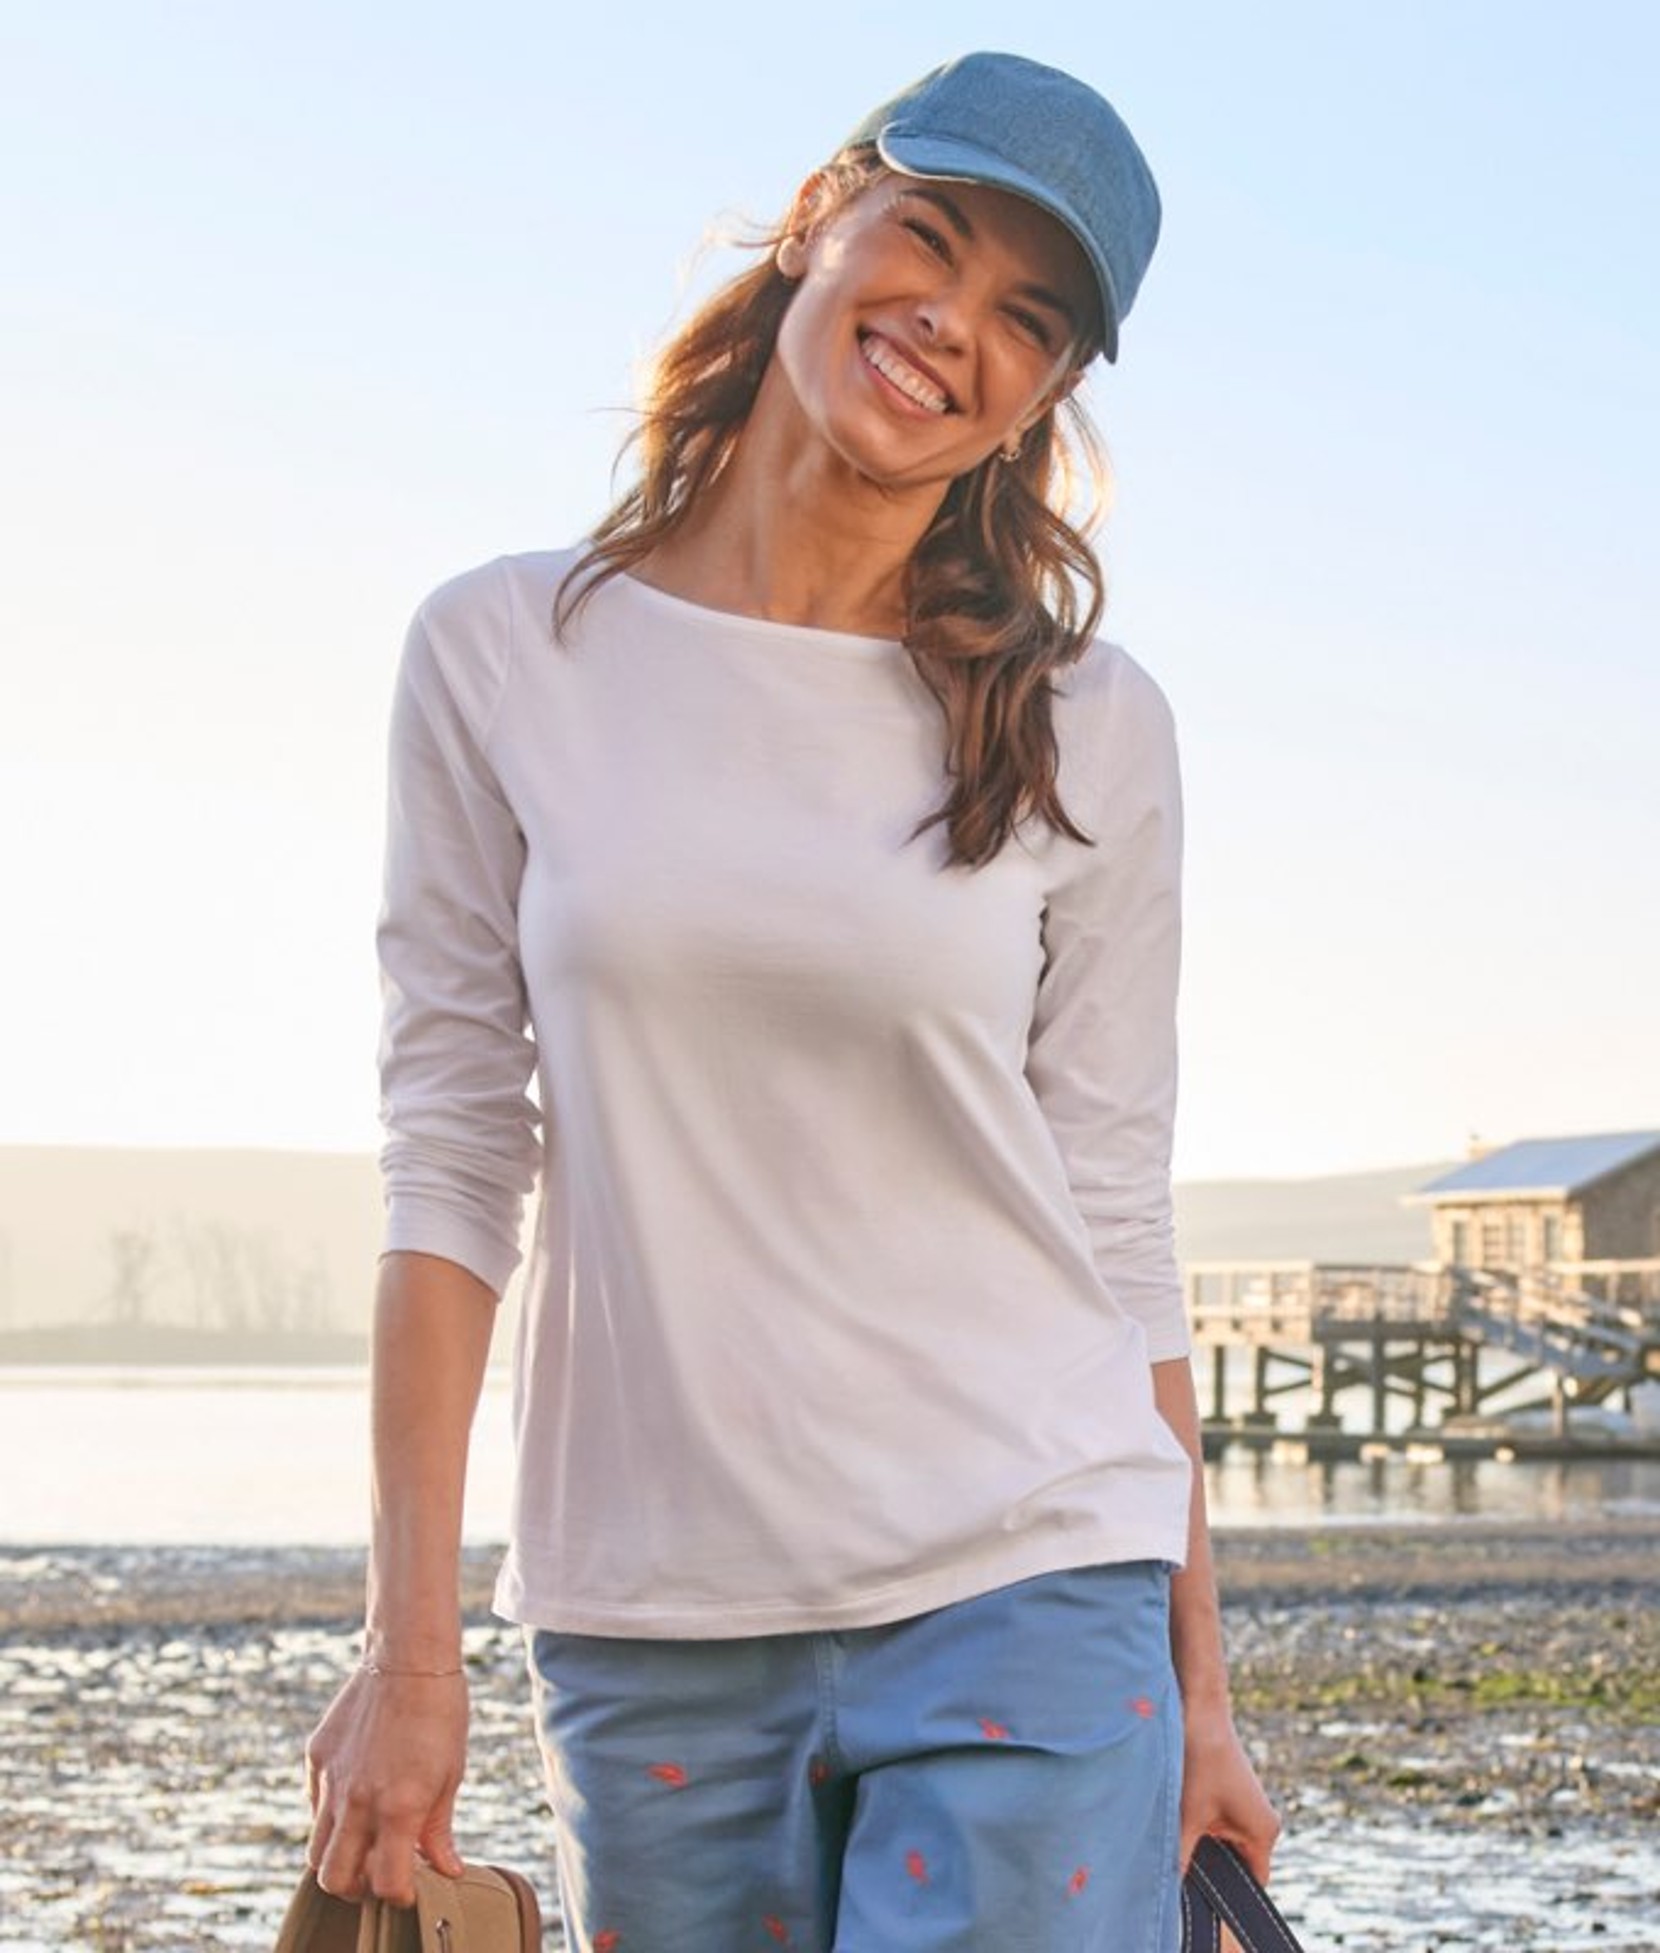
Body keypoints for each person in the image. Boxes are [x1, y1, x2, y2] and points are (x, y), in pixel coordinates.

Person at [305, 49, 1279, 1952]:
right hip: (648, 1618)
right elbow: (450, 1157)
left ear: (1049, 398)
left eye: (1029, 320)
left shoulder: (1092, 723)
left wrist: (1203, 1691)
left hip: (1032, 1573)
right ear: (821, 213)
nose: (950, 328)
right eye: (928, 238)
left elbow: (1113, 1214)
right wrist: (406, 1650)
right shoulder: (504, 653)